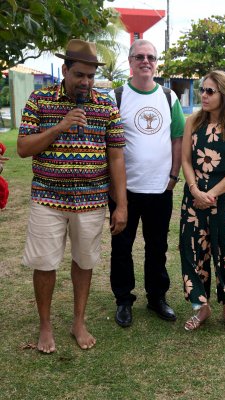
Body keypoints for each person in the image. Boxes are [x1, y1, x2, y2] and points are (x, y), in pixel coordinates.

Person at [17, 39, 127, 353]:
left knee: (84, 261)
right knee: (45, 263)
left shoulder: (106, 104)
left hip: (91, 201)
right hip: (48, 199)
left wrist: (122, 205)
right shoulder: (40, 99)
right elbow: (24, 148)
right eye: (80, 75)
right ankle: (45, 325)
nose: (86, 82)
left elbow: (116, 157)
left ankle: (79, 321)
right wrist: (60, 126)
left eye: (91, 76)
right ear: (65, 70)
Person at [108, 39, 185, 327]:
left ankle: (157, 298)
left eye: (151, 57)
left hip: (159, 189)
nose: (146, 61)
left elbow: (177, 137)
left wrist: (173, 176)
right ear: (130, 61)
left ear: (156, 63)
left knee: (157, 247)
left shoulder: (168, 98)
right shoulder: (116, 97)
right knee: (121, 247)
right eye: (139, 56)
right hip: (124, 190)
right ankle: (124, 300)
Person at [180, 70, 225, 334]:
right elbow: (186, 160)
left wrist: (211, 195)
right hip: (193, 199)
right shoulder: (193, 122)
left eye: (210, 91)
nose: (204, 95)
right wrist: (195, 190)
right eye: (202, 90)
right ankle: (202, 307)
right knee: (193, 251)